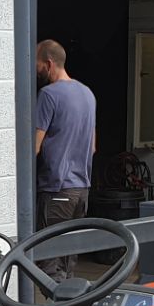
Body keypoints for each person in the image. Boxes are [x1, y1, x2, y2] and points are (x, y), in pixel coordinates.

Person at [32, 38, 96, 279]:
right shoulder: (88, 94)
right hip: (82, 190)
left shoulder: (48, 95)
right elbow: (92, 147)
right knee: (68, 262)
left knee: (46, 264)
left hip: (57, 188)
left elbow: (34, 147)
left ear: (48, 64)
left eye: (38, 65)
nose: (36, 70)